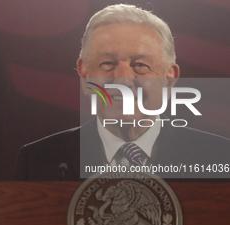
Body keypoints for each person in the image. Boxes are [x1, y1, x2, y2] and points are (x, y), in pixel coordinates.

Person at [13, 4, 230, 181]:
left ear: (169, 78)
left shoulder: (219, 156)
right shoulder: (36, 161)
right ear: (85, 74)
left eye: (140, 65)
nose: (123, 80)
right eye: (107, 63)